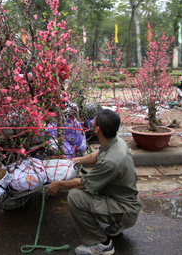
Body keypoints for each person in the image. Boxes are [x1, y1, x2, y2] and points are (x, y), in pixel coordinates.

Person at [46, 109, 141, 255]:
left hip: (124, 210)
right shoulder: (116, 142)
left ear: (97, 129)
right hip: (125, 201)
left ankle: (101, 243)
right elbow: (97, 156)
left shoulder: (111, 162)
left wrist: (59, 184)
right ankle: (116, 225)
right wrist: (74, 161)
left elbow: (83, 183)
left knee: (75, 197)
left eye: (94, 121)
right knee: (88, 190)